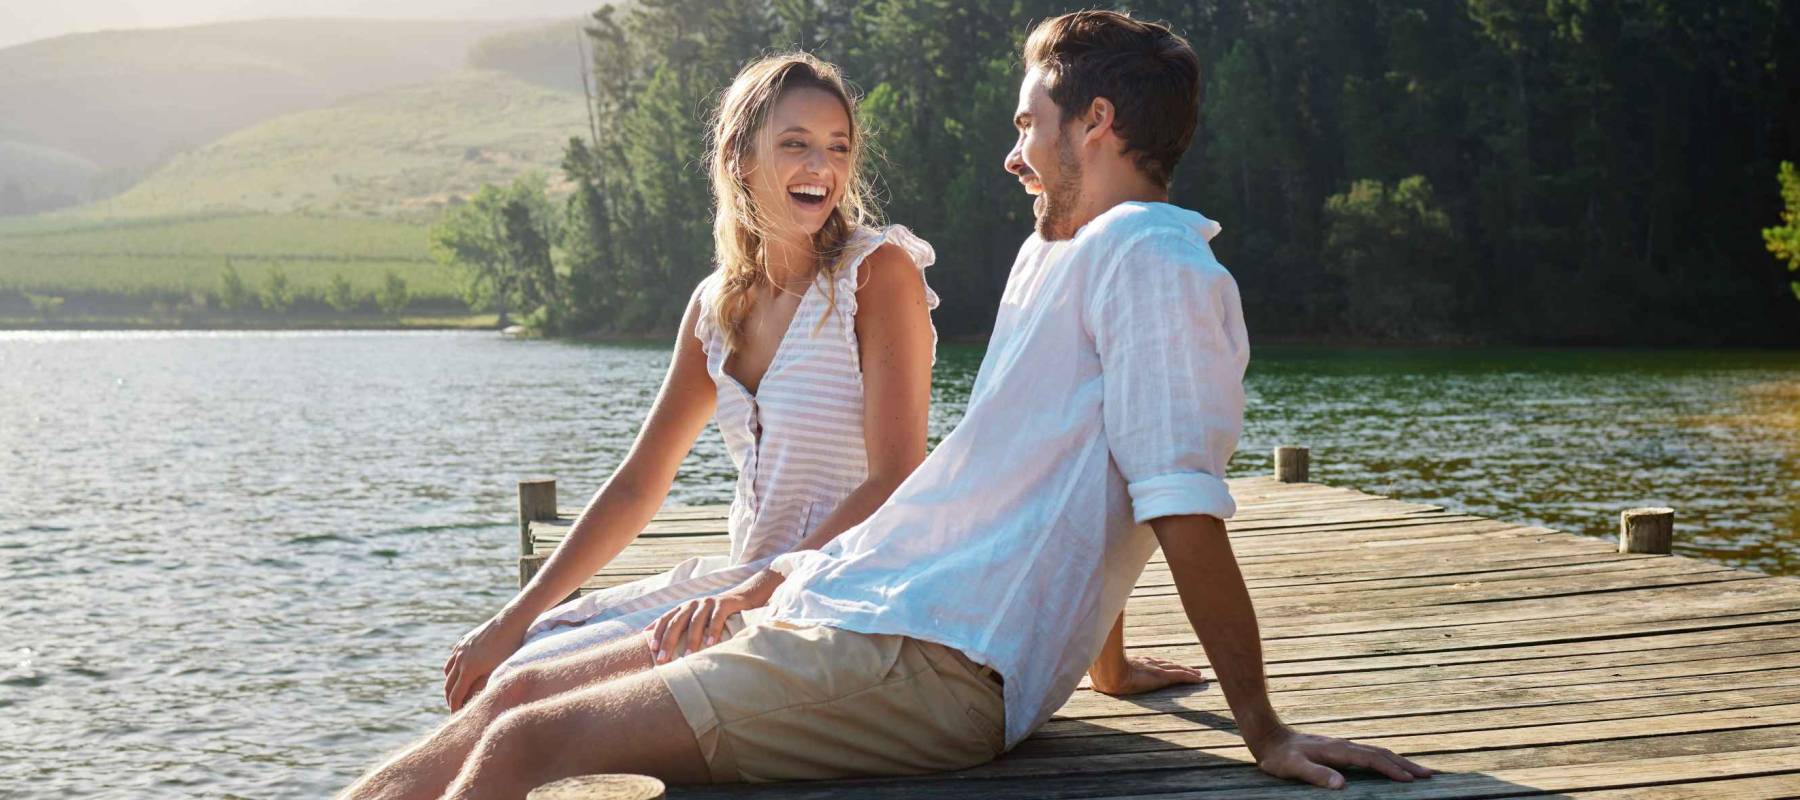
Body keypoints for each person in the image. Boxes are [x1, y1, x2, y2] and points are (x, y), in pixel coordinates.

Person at [353, 12, 1435, 799]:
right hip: (869, 605)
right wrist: (1103, 662)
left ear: (1095, 121)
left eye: (1029, 123)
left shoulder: (1152, 262)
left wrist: (1264, 728)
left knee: (526, 743)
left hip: (937, 665)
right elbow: (1048, 479)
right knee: (508, 706)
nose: (1014, 153)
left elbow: (1178, 497)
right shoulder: (1056, 255)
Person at [339, 52, 946, 800]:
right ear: (738, 156)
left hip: (835, 597)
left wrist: (754, 592)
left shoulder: (877, 272)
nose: (821, 164)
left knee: (521, 706)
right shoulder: (718, 305)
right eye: (795, 142)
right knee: (522, 666)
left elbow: (895, 479)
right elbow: (638, 485)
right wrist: (514, 614)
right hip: (740, 585)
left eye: (838, 146)